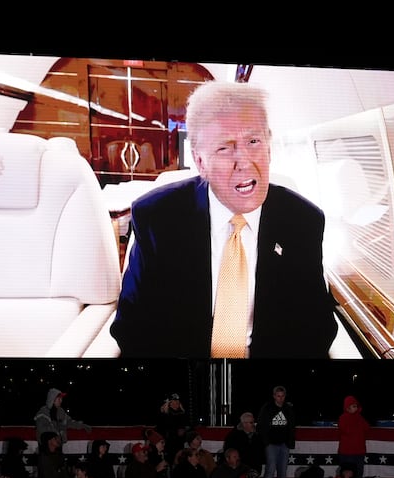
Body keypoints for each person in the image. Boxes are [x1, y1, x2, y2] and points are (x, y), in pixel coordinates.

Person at [109, 81, 337, 359]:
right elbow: (131, 329)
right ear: (200, 161)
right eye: (225, 149)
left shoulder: (303, 221)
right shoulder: (157, 217)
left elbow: (318, 330)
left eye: (253, 142)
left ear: (269, 146)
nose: (244, 161)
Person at [258, 385, 297, 478]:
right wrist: (266, 442)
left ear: (285, 396)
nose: (280, 398)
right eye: (278, 396)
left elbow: (292, 426)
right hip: (271, 444)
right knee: (270, 471)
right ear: (274, 396)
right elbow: (261, 425)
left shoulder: (288, 409)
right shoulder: (267, 408)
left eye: (282, 396)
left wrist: (290, 442)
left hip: (284, 444)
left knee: (282, 472)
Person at [335, 395, 370, 478]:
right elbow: (346, 430)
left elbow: (367, 428)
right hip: (346, 453)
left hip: (359, 452)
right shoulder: (343, 418)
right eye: (353, 406)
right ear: (347, 407)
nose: (356, 408)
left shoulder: (359, 417)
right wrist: (355, 419)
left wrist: (357, 417)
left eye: (356, 406)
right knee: (346, 476)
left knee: (358, 474)